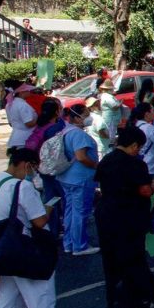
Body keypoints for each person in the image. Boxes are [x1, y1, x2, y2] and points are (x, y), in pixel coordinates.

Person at [0, 148, 97, 308]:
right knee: (42, 302)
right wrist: (48, 207)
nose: (34, 173)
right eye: (34, 168)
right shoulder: (23, 187)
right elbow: (39, 222)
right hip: (25, 250)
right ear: (27, 165)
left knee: (6, 304)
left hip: (2, 249)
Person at [94, 125, 154, 308]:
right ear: (133, 145)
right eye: (138, 147)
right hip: (129, 217)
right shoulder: (135, 164)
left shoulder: (106, 160)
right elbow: (145, 191)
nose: (138, 151)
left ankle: (115, 303)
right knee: (133, 260)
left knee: (111, 261)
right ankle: (138, 303)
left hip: (106, 215)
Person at [57, 104, 100, 257]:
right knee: (80, 212)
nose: (89, 117)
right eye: (86, 114)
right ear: (76, 117)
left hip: (68, 177)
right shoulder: (78, 134)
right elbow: (81, 156)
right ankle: (79, 245)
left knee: (70, 210)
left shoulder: (66, 131)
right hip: (80, 178)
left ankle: (69, 243)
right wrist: (96, 166)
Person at [131, 103, 154, 178]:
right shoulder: (149, 128)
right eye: (152, 110)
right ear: (147, 114)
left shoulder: (135, 126)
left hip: (140, 164)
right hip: (152, 166)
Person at [4, 82, 37, 153]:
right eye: (27, 90)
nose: (30, 92)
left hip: (15, 137)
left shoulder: (9, 104)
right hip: (25, 139)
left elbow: (10, 123)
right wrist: (40, 118)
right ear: (21, 92)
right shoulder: (22, 105)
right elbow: (29, 123)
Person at [97, 79, 121, 147]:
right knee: (111, 133)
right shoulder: (107, 96)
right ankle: (111, 145)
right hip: (110, 118)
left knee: (112, 132)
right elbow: (114, 106)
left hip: (111, 118)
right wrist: (120, 103)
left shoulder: (106, 95)